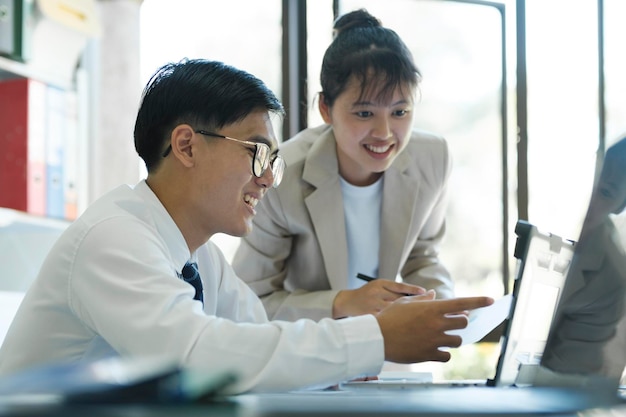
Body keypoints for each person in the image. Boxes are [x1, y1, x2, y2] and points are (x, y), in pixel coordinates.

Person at [0, 59, 492, 394]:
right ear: (187, 146)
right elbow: (199, 357)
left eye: (274, 161)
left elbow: (263, 338)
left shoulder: (200, 258)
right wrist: (375, 339)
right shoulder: (113, 238)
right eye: (258, 153)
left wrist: (362, 358)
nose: (267, 179)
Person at [233, 9, 454, 322]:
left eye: (400, 112)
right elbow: (249, 300)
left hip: (392, 353)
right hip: (311, 353)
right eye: (364, 114)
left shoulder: (433, 158)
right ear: (325, 108)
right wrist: (342, 303)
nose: (385, 133)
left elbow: (423, 256)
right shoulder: (281, 176)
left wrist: (440, 305)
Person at [541, 135, 626, 379]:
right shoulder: (545, 222)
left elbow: (567, 380)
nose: (590, 199)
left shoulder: (610, 279)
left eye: (606, 192)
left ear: (620, 206)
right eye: (590, 182)